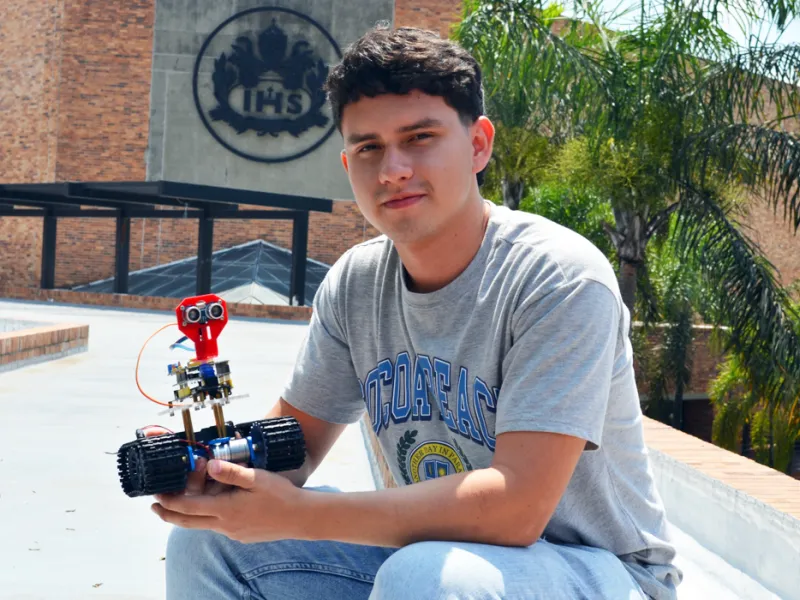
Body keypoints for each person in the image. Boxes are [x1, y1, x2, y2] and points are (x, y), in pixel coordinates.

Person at [151, 25, 682, 600]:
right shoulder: (356, 283)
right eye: (369, 148)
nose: (392, 170)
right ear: (347, 163)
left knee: (424, 578)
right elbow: (290, 448)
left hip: (601, 573)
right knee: (210, 545)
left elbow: (517, 509)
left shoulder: (557, 277)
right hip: (438, 558)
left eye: (419, 137)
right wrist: (211, 467)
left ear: (478, 144)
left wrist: (297, 515)